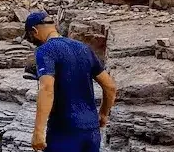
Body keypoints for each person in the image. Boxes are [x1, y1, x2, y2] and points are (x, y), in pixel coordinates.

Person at [25, 12, 118, 152]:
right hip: (92, 132)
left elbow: (46, 89)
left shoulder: (45, 51)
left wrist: (38, 131)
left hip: (64, 132)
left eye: (31, 37)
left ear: (35, 31)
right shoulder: (84, 48)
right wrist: (103, 114)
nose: (33, 41)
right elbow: (110, 86)